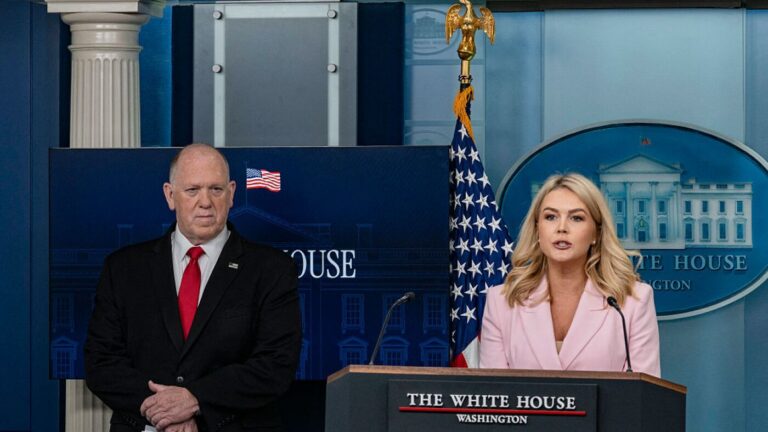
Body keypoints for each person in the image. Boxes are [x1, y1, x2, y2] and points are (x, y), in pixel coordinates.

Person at [85, 144, 302, 431]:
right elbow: (101, 362)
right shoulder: (123, 268)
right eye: (192, 190)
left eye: (216, 189)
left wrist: (196, 400)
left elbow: (276, 364)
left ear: (232, 193)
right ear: (170, 195)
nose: (205, 202)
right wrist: (163, 412)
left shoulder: (272, 269)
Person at [479, 173, 660, 377]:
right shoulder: (501, 302)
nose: (562, 228)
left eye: (576, 218)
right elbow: (493, 392)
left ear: (596, 233)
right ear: (537, 230)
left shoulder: (633, 301)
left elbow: (643, 393)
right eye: (550, 217)